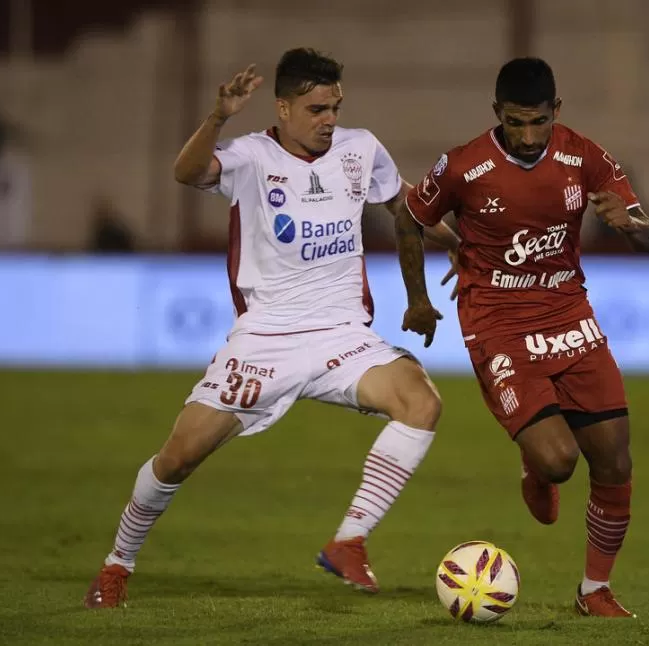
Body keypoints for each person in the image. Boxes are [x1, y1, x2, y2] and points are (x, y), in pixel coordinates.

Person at [84, 48, 460, 609]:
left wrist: (462, 245)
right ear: (283, 108)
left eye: (334, 106)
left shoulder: (361, 149)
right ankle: (118, 563)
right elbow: (185, 173)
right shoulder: (249, 157)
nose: (329, 119)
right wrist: (217, 118)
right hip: (266, 339)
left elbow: (407, 206)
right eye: (316, 109)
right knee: (179, 457)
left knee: (422, 402)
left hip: (342, 334)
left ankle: (349, 541)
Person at [395, 57, 649, 618]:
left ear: (556, 112)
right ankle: (535, 466)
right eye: (516, 123)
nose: (528, 136)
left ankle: (595, 592)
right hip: (498, 324)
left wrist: (635, 229)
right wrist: (416, 298)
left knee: (615, 460)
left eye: (539, 121)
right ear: (497, 115)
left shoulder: (584, 155)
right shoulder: (463, 166)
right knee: (560, 461)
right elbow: (409, 217)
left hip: (570, 316)